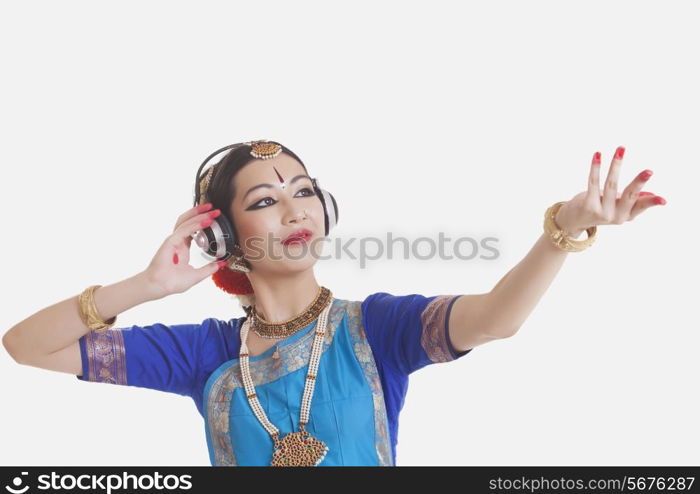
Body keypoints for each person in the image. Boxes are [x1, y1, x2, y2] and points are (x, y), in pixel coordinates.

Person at [2, 140, 666, 466]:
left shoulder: (378, 329)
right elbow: (24, 346)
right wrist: (148, 287)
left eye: (302, 189)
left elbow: (498, 319)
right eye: (264, 201)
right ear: (226, 239)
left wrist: (563, 232)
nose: (294, 208)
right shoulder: (201, 354)